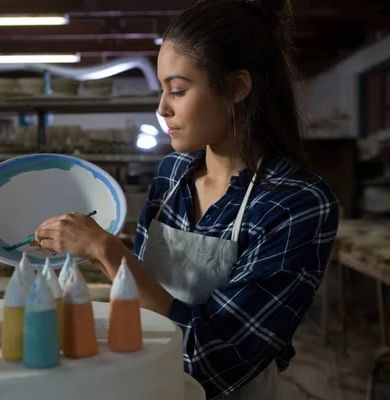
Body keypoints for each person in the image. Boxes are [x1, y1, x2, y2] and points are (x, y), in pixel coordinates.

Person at [34, 0, 339, 398]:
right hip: (149, 383)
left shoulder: (297, 203)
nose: (162, 108)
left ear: (237, 87)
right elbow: (141, 303)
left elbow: (215, 362)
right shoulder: (172, 174)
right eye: (162, 90)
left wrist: (106, 249)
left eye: (177, 90)